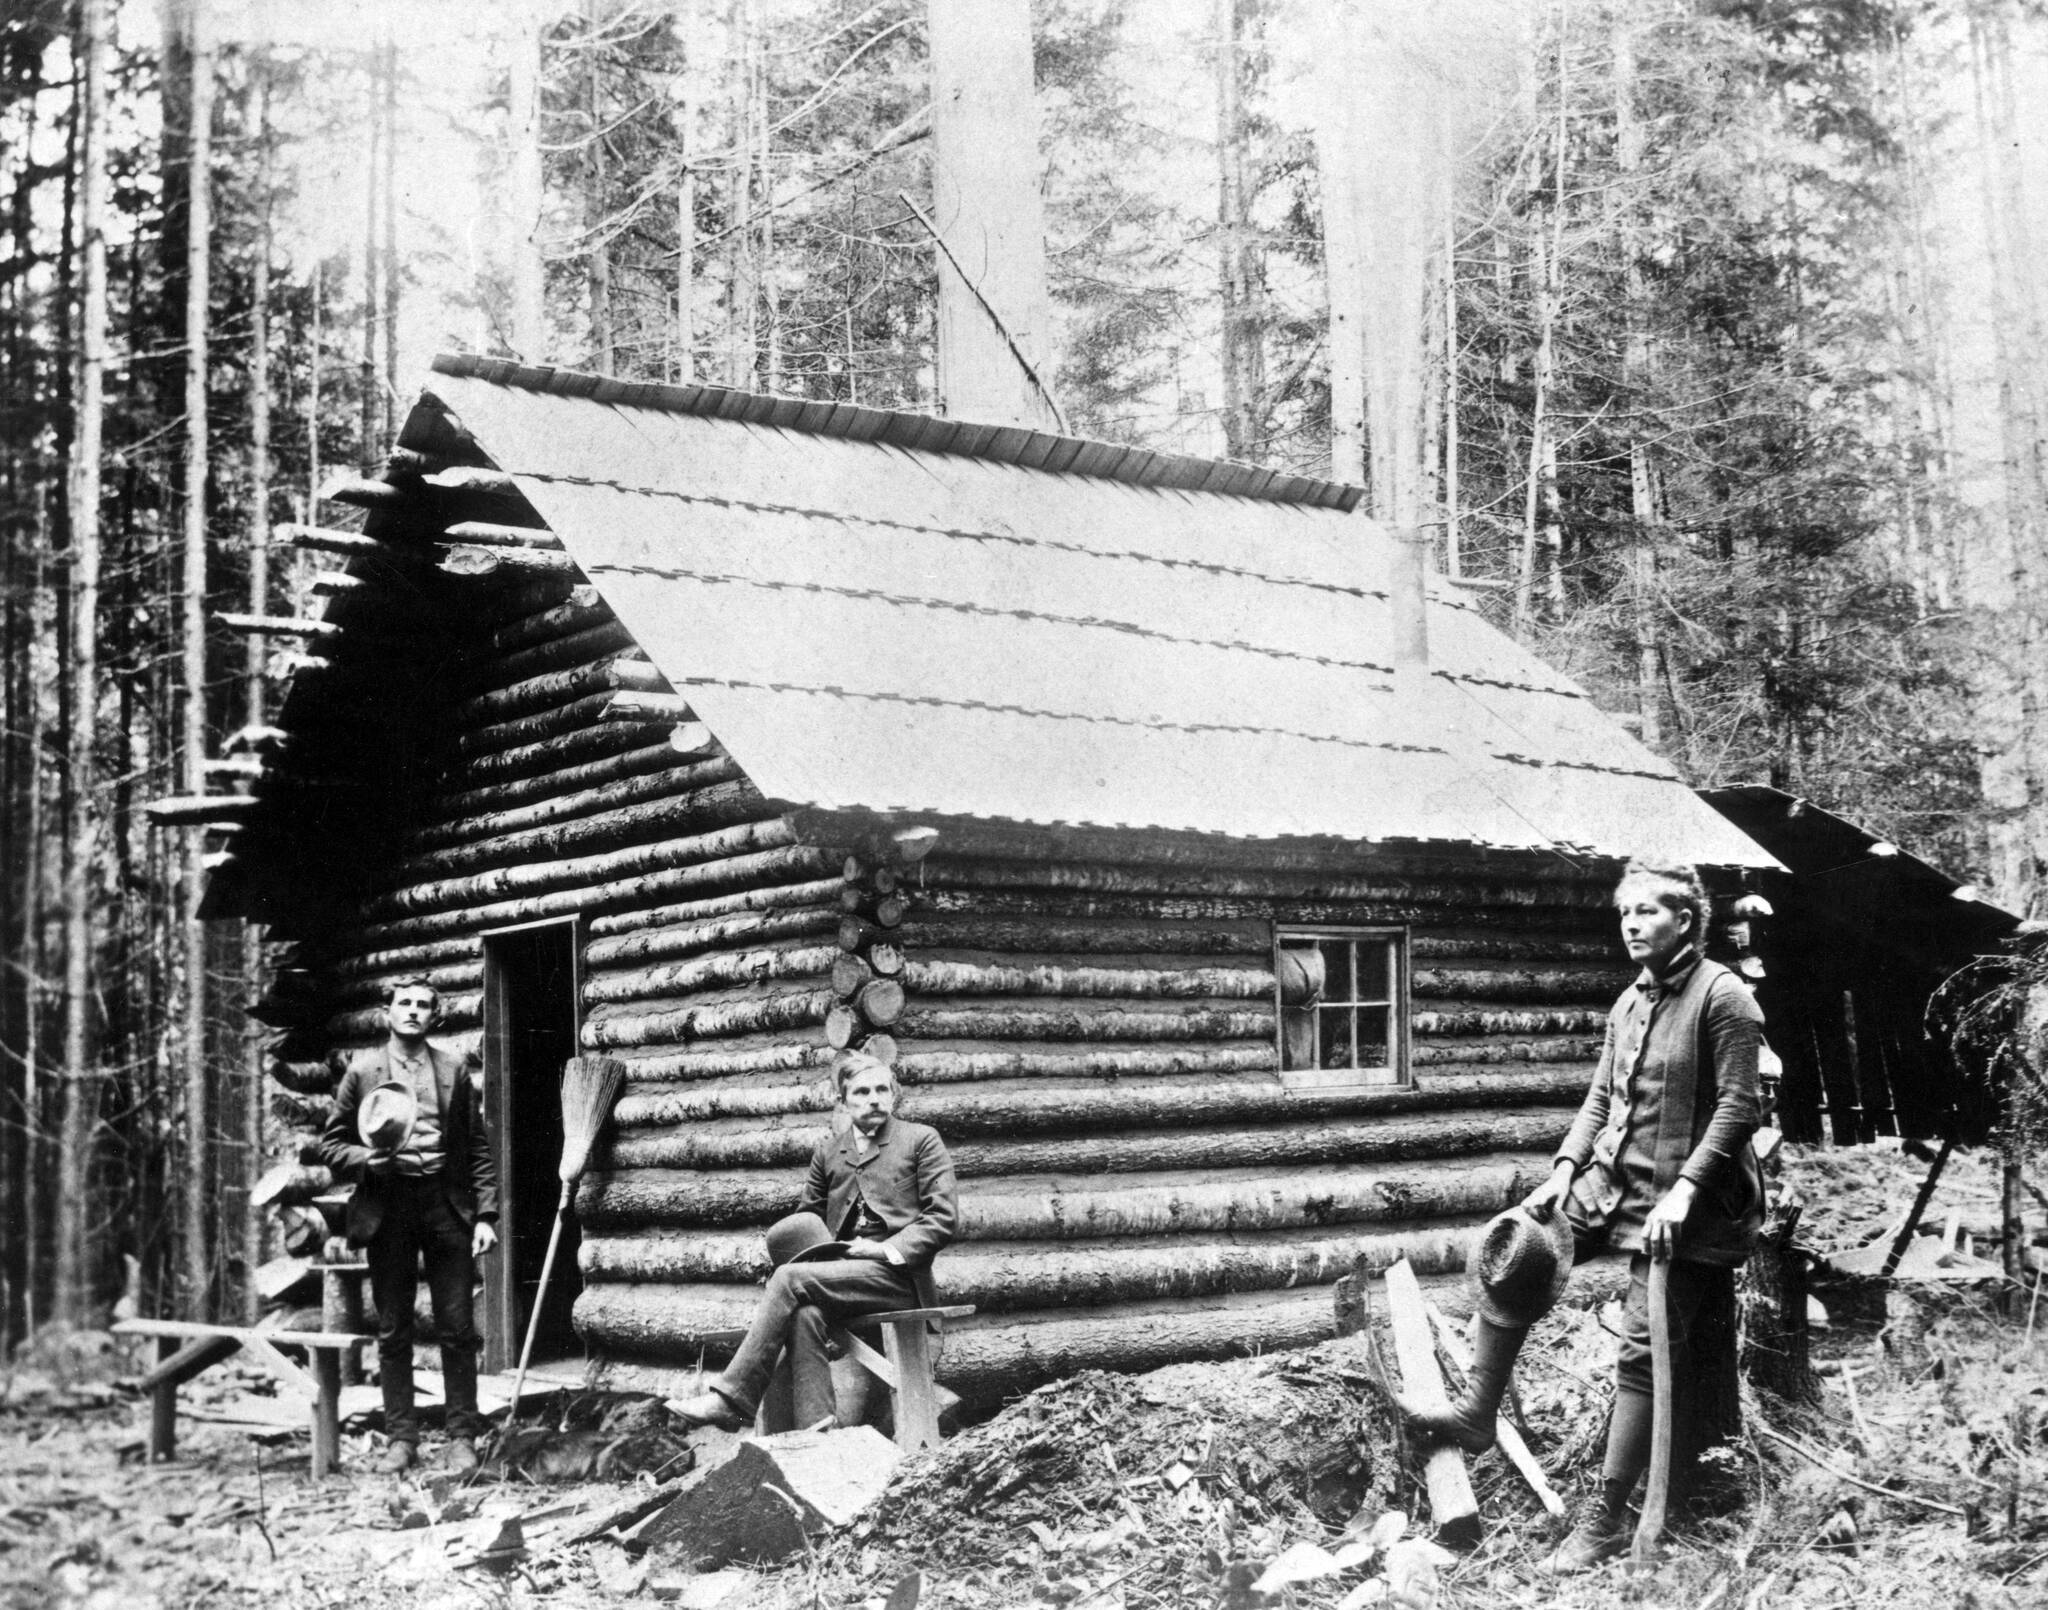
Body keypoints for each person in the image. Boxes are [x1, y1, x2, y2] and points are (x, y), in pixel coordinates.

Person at [1398, 859, 1765, 1573]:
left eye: (1649, 912)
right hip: (1614, 1178)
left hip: (1694, 1201)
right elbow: (1600, 1101)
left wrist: (1685, 1190)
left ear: (1685, 921)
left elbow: (1739, 1107)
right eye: (1625, 913)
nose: (1631, 924)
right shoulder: (1630, 1003)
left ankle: (1606, 1514)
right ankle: (1477, 1411)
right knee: (1517, 1247)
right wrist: (1560, 1176)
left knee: (1642, 1344)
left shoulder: (1725, 999)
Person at [667, 1050, 958, 1432]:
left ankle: (730, 1399)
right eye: (862, 1092)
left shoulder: (920, 1140)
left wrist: (887, 1248)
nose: (874, 1099)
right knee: (805, 1314)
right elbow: (808, 1221)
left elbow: (943, 1218)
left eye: (882, 1090)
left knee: (789, 1279)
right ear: (842, 1100)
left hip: (898, 1278)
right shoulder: (828, 1152)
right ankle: (818, 1429)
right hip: (841, 1280)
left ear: (894, 1095)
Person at [316, 978, 499, 1476]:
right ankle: (402, 1439)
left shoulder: (454, 1069)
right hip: (388, 1208)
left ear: (434, 1016)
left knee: (458, 1328)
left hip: (445, 1206)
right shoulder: (363, 1070)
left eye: (423, 1005)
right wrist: (367, 1160)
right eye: (405, 1004)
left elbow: (476, 1147)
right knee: (394, 1329)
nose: (414, 1012)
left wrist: (485, 1214)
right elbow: (330, 1146)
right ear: (388, 1012)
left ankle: (463, 1436)